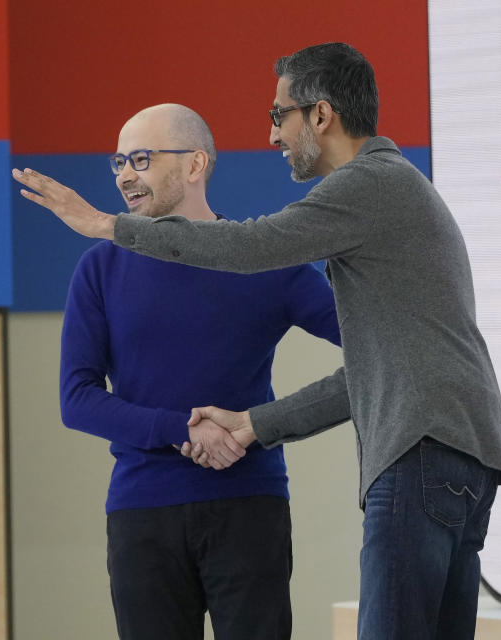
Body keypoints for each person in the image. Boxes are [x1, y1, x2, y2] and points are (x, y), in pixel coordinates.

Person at [13, 43, 501, 640]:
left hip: (412, 453)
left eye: (280, 115)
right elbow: (377, 365)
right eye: (118, 161)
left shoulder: (366, 187)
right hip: (444, 452)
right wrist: (252, 424)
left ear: (320, 115)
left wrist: (107, 226)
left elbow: (250, 249)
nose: (273, 133)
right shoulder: (388, 192)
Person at [56, 103, 341, 640]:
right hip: (142, 512)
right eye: (117, 161)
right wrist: (181, 428)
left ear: (194, 165)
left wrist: (267, 420)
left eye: (140, 159)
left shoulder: (263, 258)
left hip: (248, 506)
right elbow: (77, 399)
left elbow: (373, 340)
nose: (122, 175)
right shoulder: (99, 268)